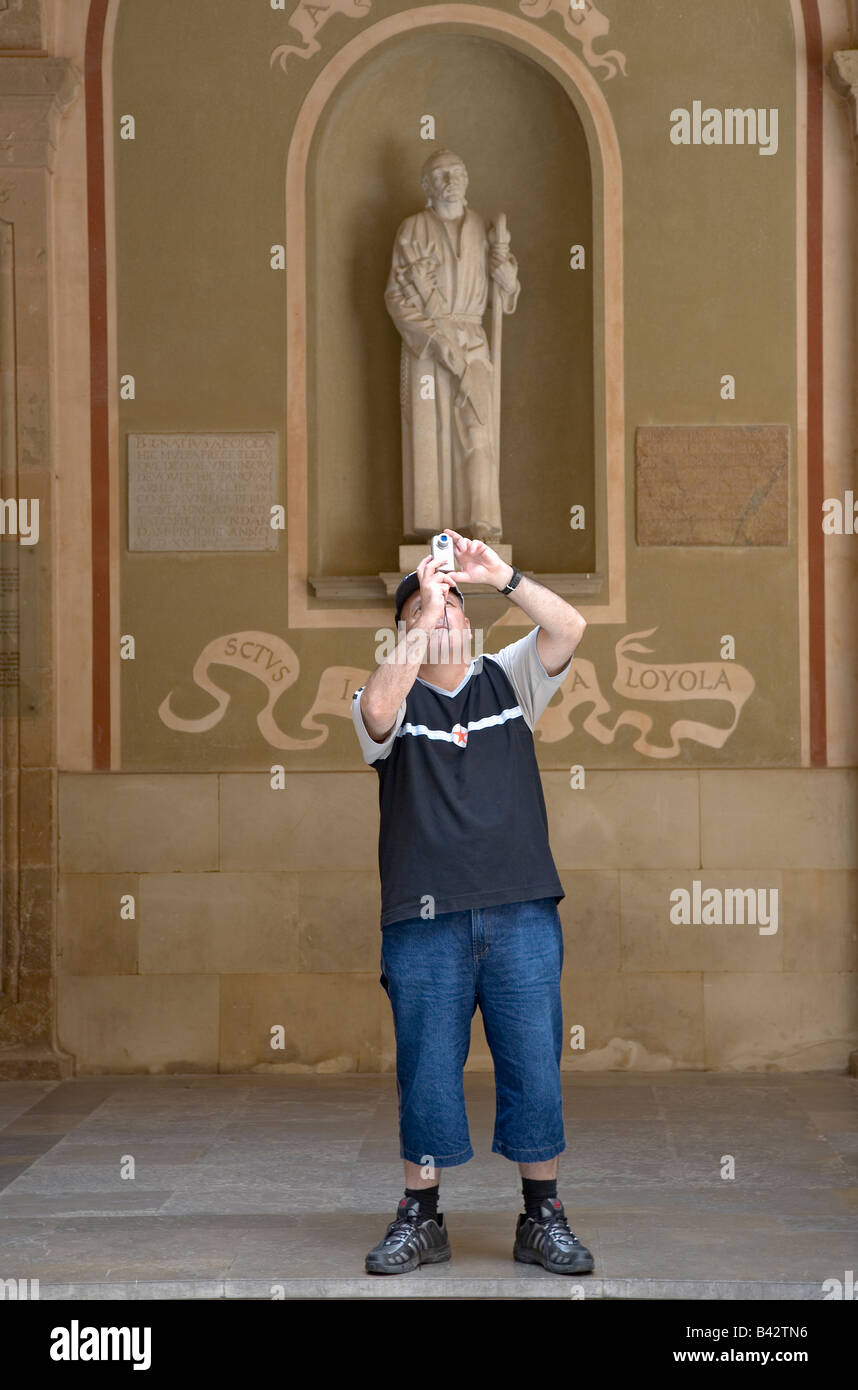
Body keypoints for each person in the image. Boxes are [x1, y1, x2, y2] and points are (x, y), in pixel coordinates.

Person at [350, 529, 594, 1277]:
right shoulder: (379, 693)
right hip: (424, 923)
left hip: (521, 909)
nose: (450, 610)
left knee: (534, 1065)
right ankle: (420, 1217)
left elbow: (569, 628)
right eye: (432, 602)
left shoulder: (508, 676)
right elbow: (380, 715)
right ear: (406, 627)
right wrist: (420, 620)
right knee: (426, 1068)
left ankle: (542, 1216)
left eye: (455, 601)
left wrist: (500, 575)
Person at [384, 150, 519, 544]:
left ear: (467, 179)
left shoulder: (485, 231)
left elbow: (506, 292)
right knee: (432, 433)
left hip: (473, 342)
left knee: (478, 431)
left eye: (456, 172)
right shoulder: (412, 230)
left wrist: (506, 275)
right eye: (440, 174)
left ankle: (480, 523)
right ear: (427, 185)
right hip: (427, 346)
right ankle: (436, 529)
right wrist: (431, 339)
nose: (449, 180)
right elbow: (396, 296)